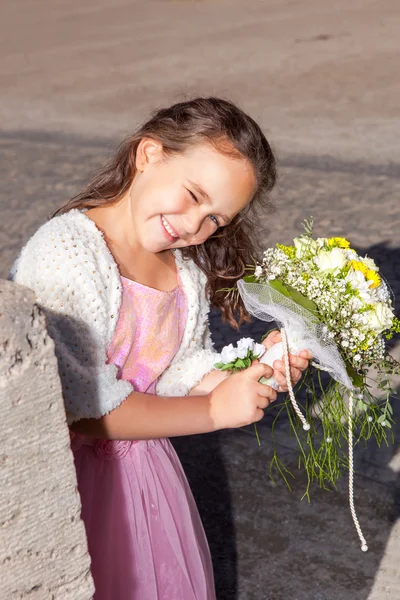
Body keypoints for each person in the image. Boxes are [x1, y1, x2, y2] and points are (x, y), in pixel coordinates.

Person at [10, 97, 311, 600]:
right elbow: (82, 411)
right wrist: (216, 409)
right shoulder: (67, 254)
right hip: (68, 482)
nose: (195, 226)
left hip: (148, 478)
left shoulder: (183, 270)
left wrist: (249, 372)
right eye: (193, 195)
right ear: (148, 154)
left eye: (216, 218)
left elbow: (176, 369)